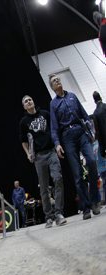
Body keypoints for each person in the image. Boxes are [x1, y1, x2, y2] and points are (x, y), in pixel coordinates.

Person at [49, 74, 101, 220]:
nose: (57, 81)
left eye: (58, 79)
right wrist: (57, 144)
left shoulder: (72, 96)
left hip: (81, 132)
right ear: (52, 87)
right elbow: (54, 127)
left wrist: (92, 130)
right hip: (67, 137)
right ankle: (85, 208)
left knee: (91, 161)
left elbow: (85, 115)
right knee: (77, 174)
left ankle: (95, 201)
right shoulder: (53, 104)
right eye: (54, 81)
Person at [19, 95, 66, 228]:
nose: (29, 102)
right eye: (25, 101)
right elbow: (23, 141)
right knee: (44, 188)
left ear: (33, 102)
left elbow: (54, 130)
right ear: (24, 106)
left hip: (51, 151)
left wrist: (57, 145)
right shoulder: (24, 122)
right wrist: (28, 153)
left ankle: (58, 213)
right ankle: (49, 217)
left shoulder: (45, 114)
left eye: (30, 100)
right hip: (38, 157)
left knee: (58, 179)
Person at [91, 114, 106, 204]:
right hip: (100, 164)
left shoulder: (98, 139)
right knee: (104, 180)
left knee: (104, 180)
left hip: (101, 162)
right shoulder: (94, 141)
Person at [93, 91, 106, 158]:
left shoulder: (95, 113)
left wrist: (102, 151)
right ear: (101, 97)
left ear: (94, 101)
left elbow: (98, 132)